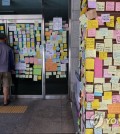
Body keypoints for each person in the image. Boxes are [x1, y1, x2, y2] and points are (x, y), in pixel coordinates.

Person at [0, 33, 14, 106]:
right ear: (5, 39)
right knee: (6, 85)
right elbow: (11, 61)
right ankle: (5, 101)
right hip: (6, 70)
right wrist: (12, 69)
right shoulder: (8, 48)